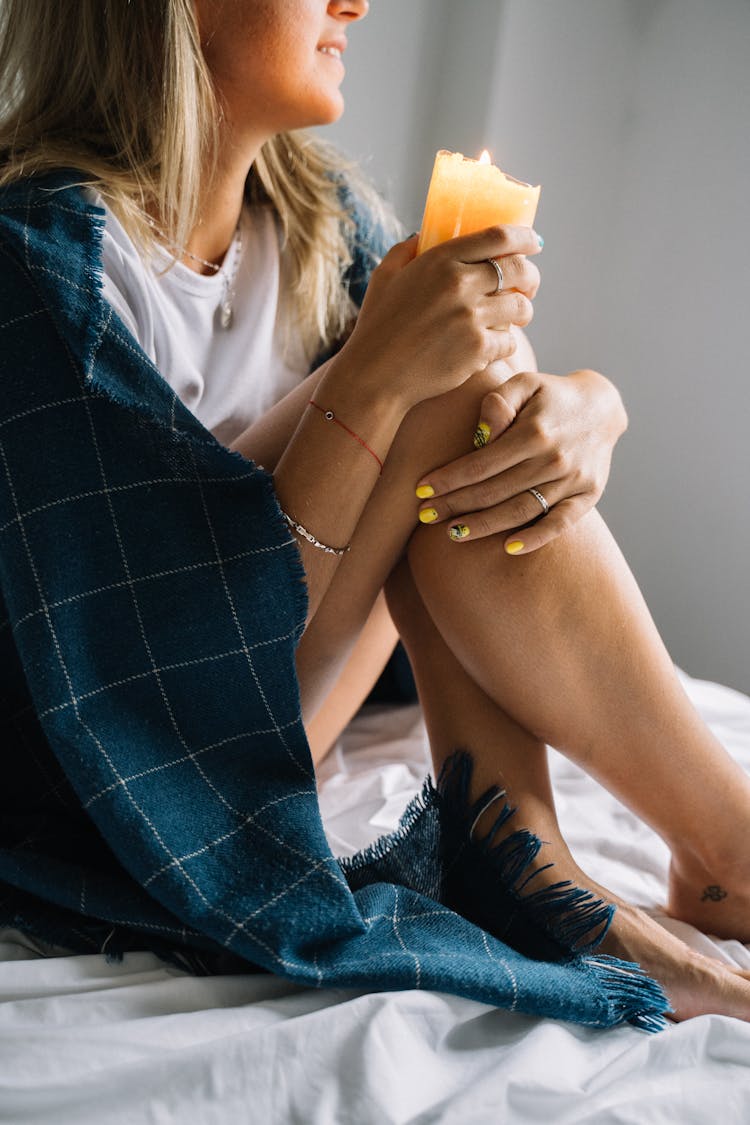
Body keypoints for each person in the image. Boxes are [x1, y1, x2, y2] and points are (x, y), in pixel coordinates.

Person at [0, 0, 748, 1030]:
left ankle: (610, 854)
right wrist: (374, 382)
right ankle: (610, 855)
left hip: (296, 693)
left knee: (468, 384)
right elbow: (132, 675)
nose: (355, 0)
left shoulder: (327, 225)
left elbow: (480, 423)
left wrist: (589, 407)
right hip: (140, 764)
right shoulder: (36, 268)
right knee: (440, 382)